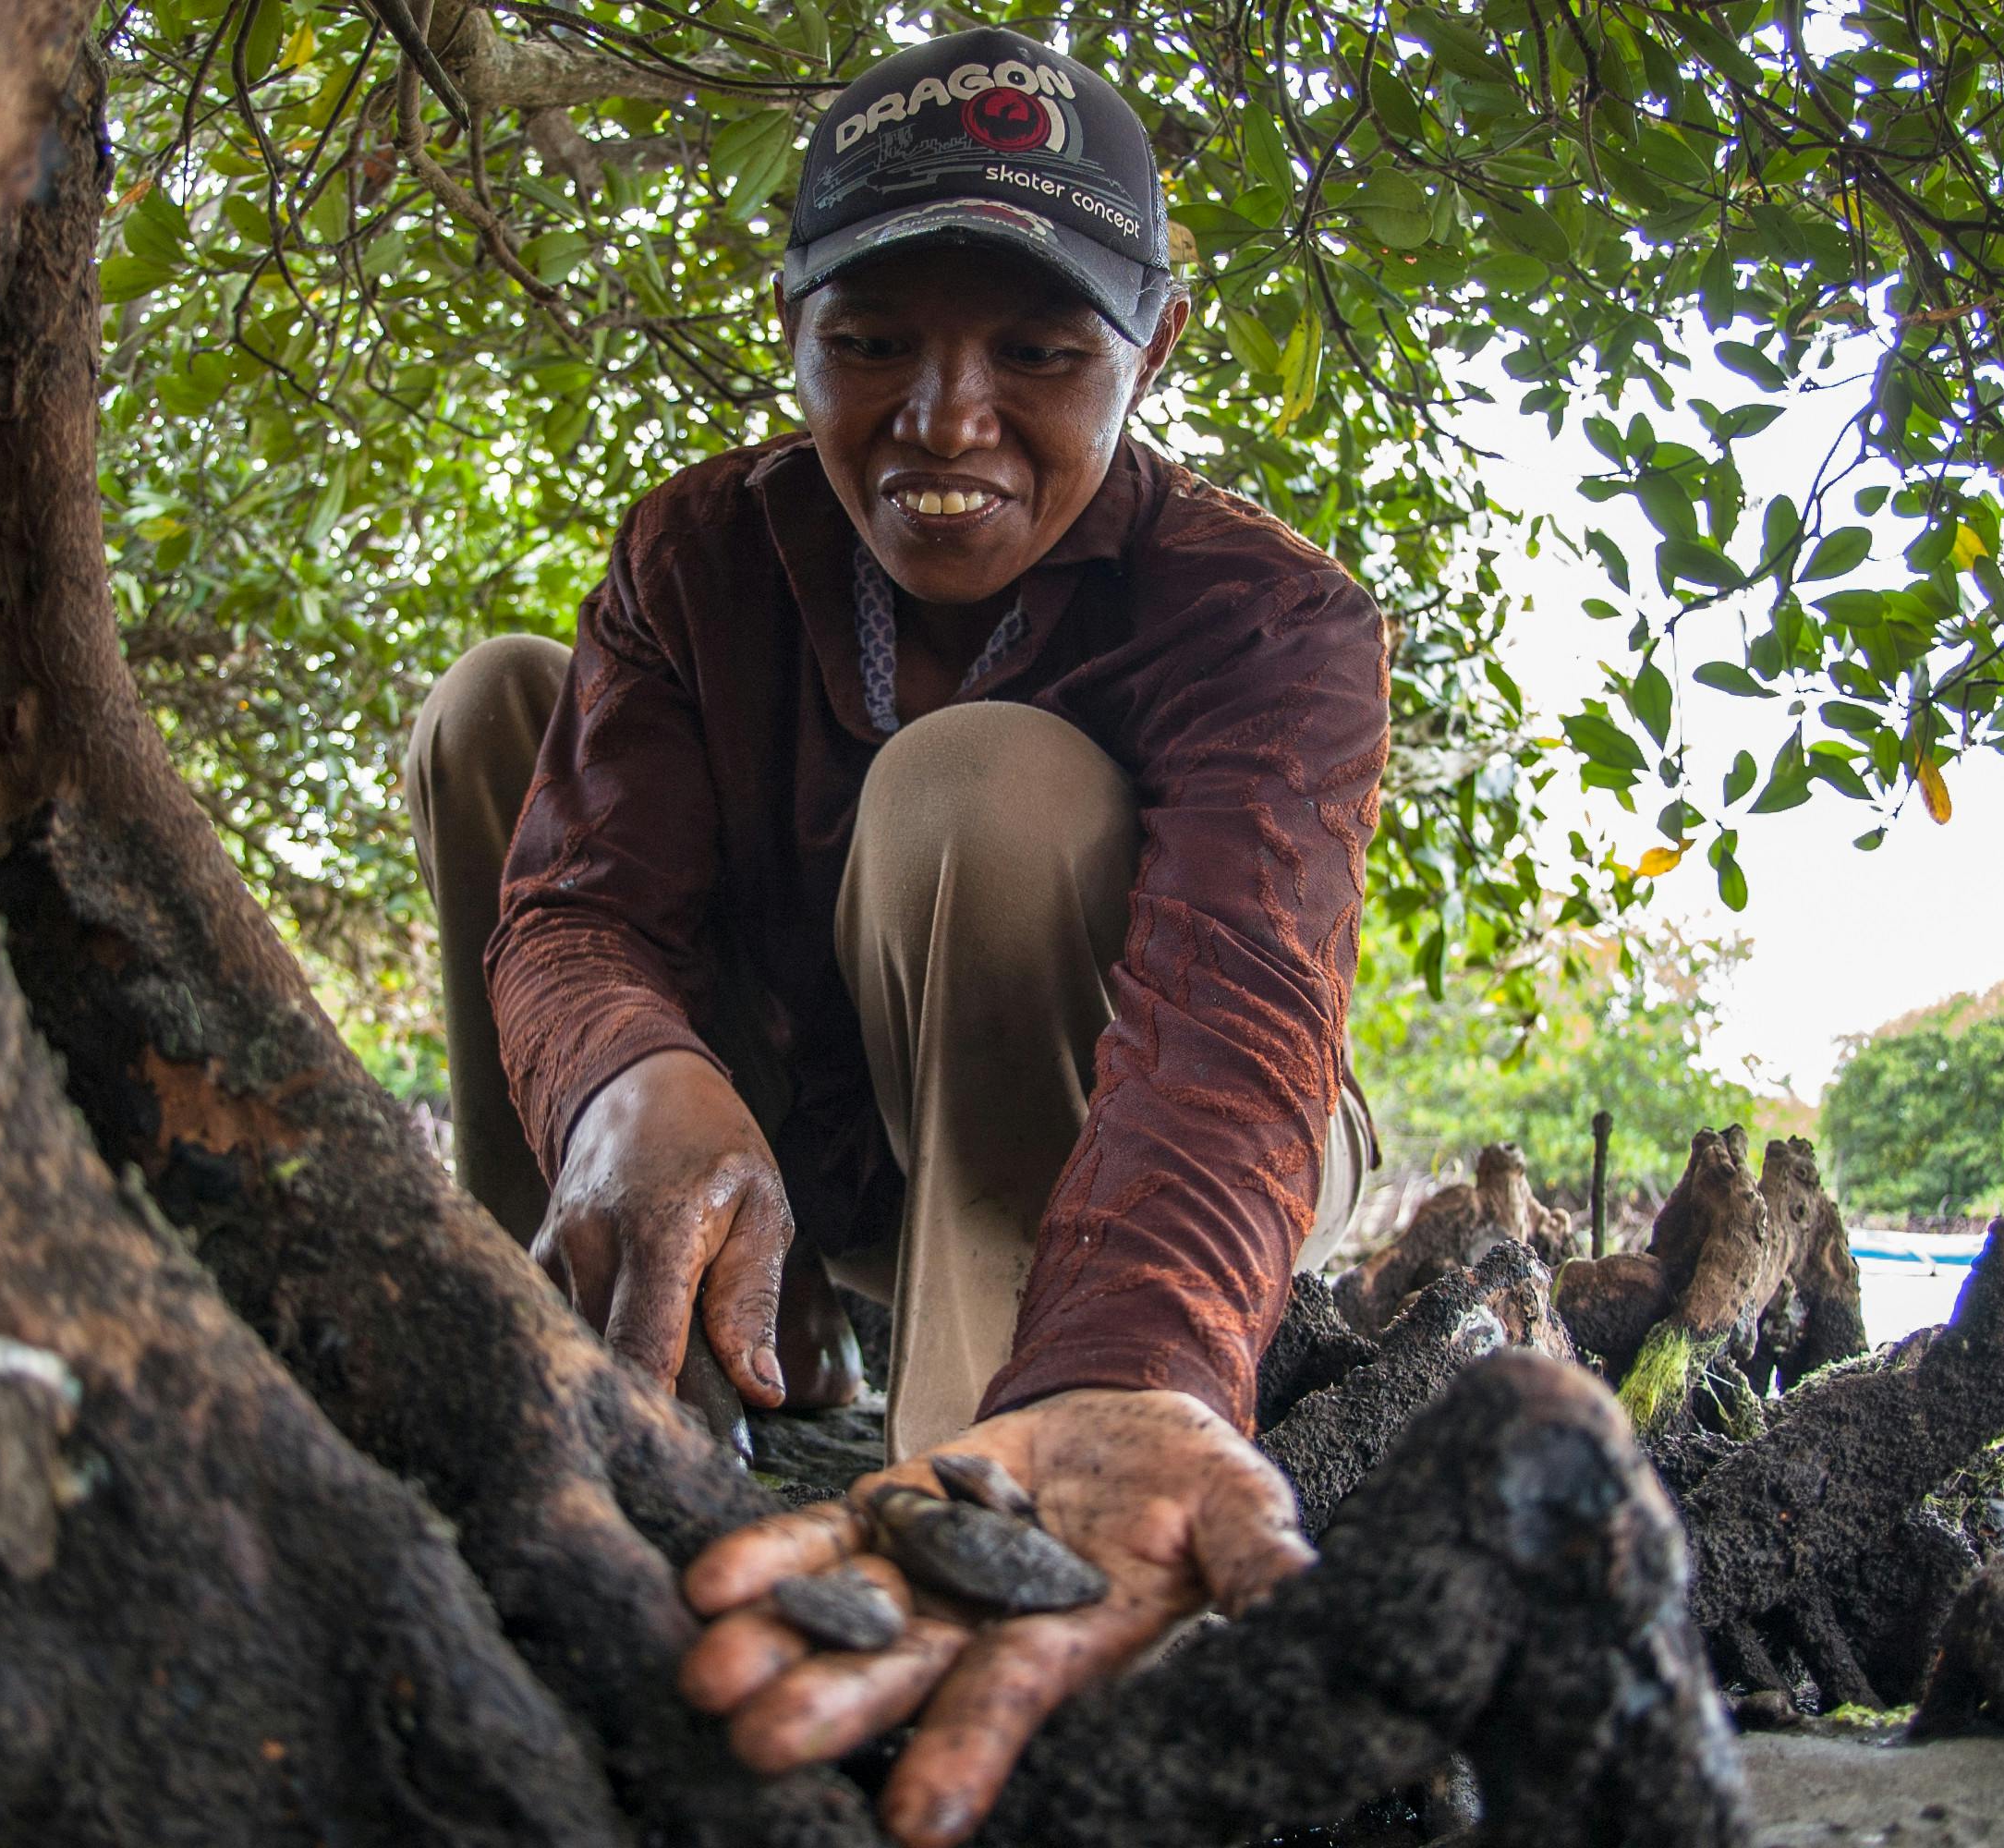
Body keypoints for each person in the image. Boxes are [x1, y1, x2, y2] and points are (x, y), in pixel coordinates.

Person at [403, 27, 1389, 1846]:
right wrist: (626, 1067)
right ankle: (593, 1392)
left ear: (1151, 347)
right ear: (788, 335)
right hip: (814, 1127)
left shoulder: (1268, 621)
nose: (943, 420)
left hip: (1155, 1139)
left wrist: (1137, 1364)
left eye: (1036, 351)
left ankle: (993, 1481)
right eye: (867, 346)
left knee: (976, 783)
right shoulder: (700, 553)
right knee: (494, 706)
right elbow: (580, 909)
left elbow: (1233, 1035)